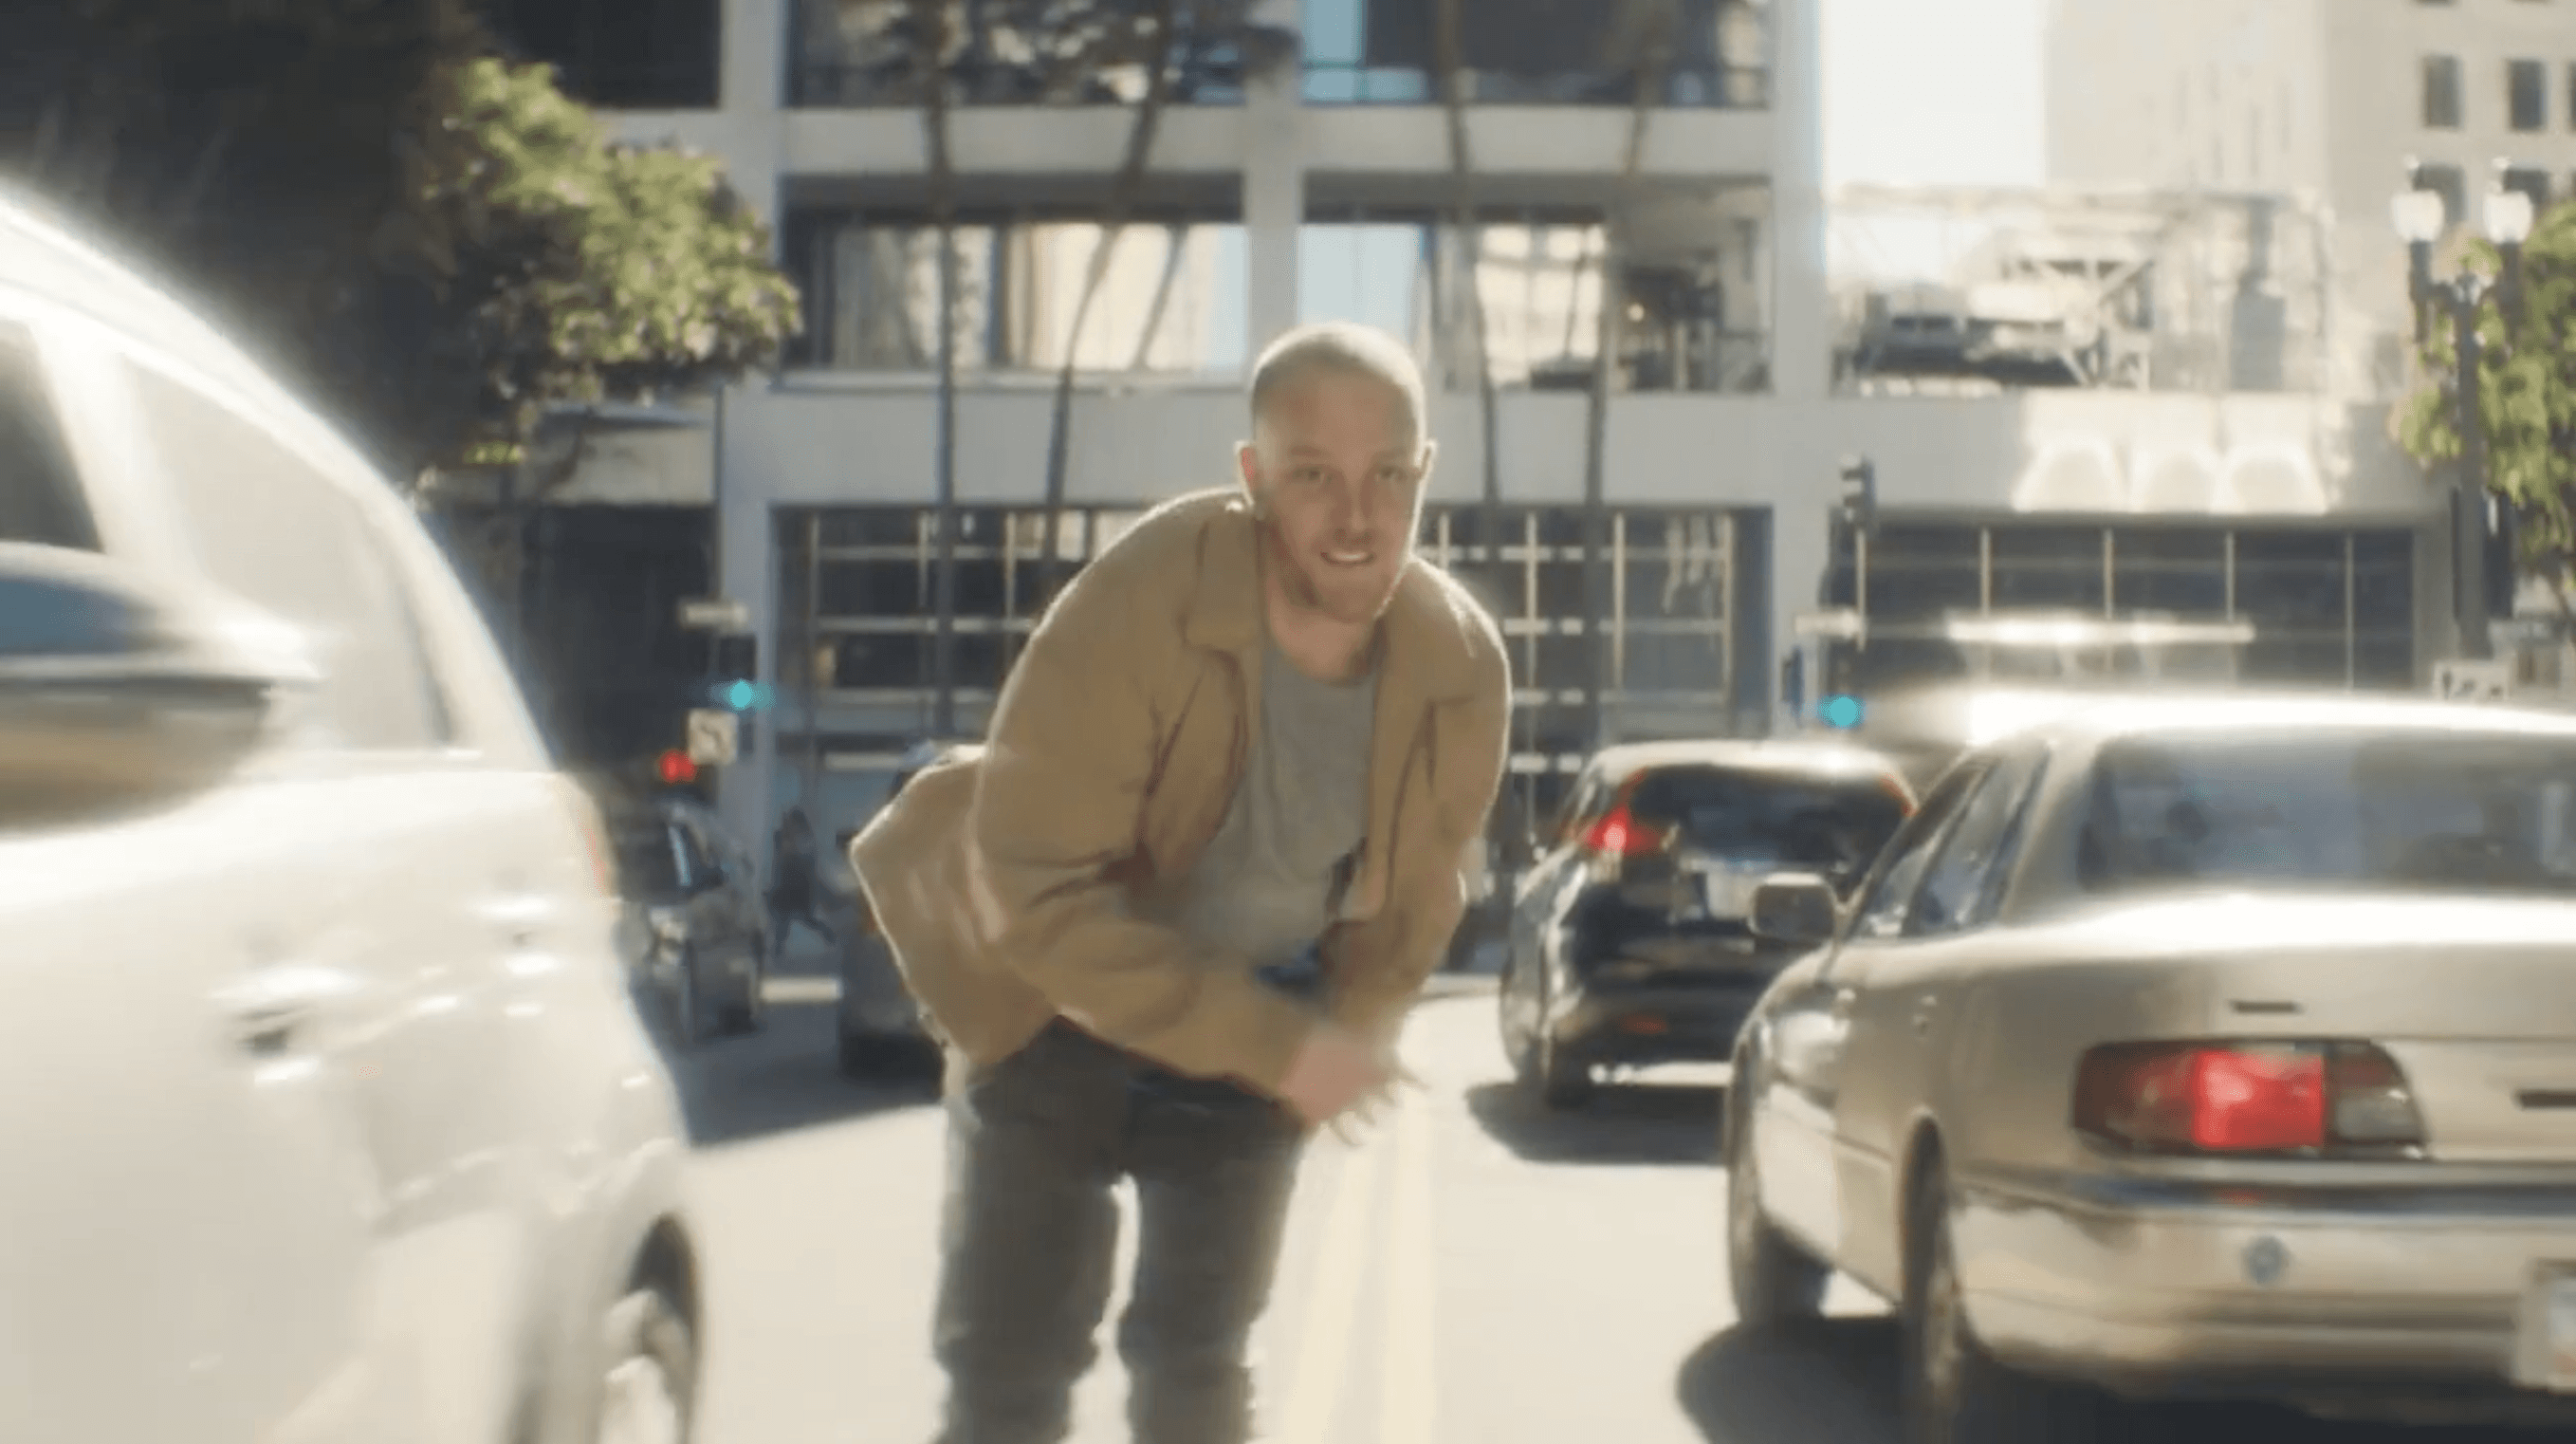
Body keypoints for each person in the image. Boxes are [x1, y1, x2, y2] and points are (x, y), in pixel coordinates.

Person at [851, 321, 1511, 1444]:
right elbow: (1035, 888)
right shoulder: (1144, 599)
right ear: (1253, 479)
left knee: (1197, 1365)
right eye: (1314, 478)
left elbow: (1416, 897)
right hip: (1048, 1011)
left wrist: (1350, 1028)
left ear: (1423, 471)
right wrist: (1286, 1049)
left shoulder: (1457, 664)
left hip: (1259, 1010)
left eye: (1386, 476)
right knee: (1010, 1369)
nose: (1357, 519)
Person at [767, 805, 837, 957]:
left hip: (800, 888)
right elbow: (778, 864)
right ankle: (777, 951)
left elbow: (807, 864)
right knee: (783, 924)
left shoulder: (804, 839)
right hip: (786, 888)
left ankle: (830, 935)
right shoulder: (782, 837)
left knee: (806, 919)